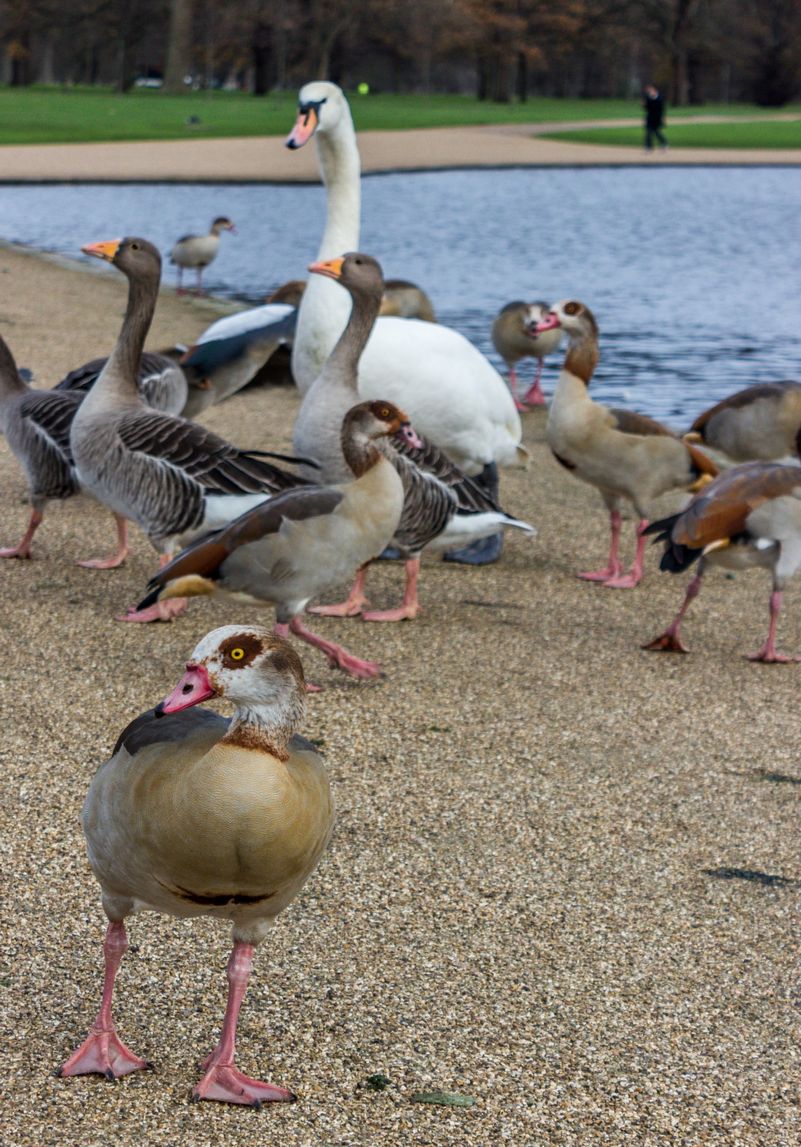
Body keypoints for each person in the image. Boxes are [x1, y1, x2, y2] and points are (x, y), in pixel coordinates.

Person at [643, 84, 668, 152]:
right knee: (648, 132)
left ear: (654, 90)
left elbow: (662, 109)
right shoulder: (648, 98)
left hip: (657, 118)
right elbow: (647, 109)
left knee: (657, 132)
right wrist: (644, 105)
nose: (649, 92)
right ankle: (648, 147)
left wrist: (663, 118)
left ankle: (664, 143)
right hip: (650, 118)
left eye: (650, 90)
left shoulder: (660, 98)